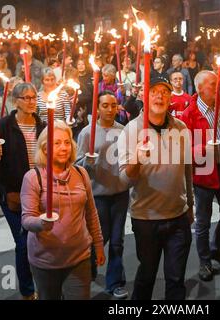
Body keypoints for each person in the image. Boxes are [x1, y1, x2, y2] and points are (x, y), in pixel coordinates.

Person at [117, 76, 194, 300]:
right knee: (147, 276)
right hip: (146, 218)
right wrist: (137, 160)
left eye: (164, 91)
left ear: (171, 97)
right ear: (144, 96)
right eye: (154, 91)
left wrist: (190, 204)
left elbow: (186, 169)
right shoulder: (131, 131)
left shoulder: (181, 128)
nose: (160, 96)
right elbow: (124, 180)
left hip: (178, 216)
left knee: (176, 279)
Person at [20, 121, 105, 300]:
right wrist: (42, 222)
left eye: (67, 142)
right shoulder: (33, 178)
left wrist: (98, 244)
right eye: (57, 143)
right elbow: (27, 219)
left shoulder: (81, 173)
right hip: (46, 260)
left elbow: (91, 213)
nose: (64, 147)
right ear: (44, 149)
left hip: (79, 256)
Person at [181, 70, 220, 282]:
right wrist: (201, 149)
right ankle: (205, 259)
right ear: (199, 89)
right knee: (203, 221)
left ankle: (216, 249)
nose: (218, 88)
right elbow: (183, 150)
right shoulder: (189, 114)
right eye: (213, 85)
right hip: (205, 173)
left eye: (219, 84)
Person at [0, 83, 44, 300]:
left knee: (39, 241)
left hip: (40, 193)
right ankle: (28, 291)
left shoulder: (43, 126)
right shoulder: (3, 126)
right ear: (15, 100)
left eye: (34, 97)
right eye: (26, 97)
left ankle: (45, 282)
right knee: (23, 243)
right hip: (14, 195)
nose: (31, 101)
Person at [76, 91, 130, 299]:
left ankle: (115, 282)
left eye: (113, 105)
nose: (110, 109)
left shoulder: (124, 131)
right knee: (98, 238)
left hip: (119, 193)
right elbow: (78, 163)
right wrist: (87, 163)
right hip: (96, 194)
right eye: (105, 105)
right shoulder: (87, 133)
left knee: (117, 240)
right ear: (97, 108)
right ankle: (88, 268)